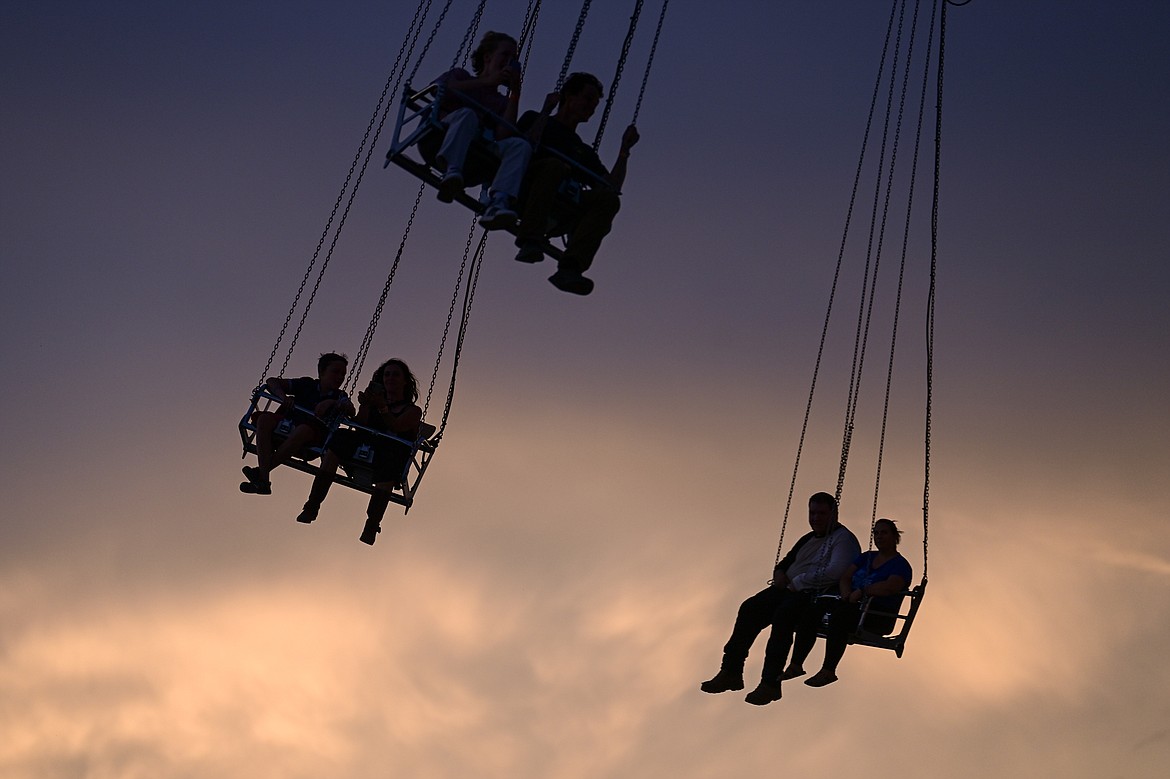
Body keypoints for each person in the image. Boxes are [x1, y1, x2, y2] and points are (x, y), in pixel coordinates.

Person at [699, 492, 861, 706]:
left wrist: (800, 582)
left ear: (834, 513)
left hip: (812, 595)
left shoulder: (844, 540)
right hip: (788, 589)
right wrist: (779, 574)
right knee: (749, 608)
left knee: (783, 618)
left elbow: (836, 571)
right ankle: (731, 670)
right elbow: (786, 562)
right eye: (812, 513)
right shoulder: (808, 538)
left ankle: (770, 683)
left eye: (821, 513)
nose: (816, 518)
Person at [513, 72, 640, 296]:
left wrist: (624, 151)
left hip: (560, 204)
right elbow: (521, 146)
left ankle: (570, 267)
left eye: (595, 104)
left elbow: (610, 187)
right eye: (588, 98)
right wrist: (545, 111)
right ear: (569, 96)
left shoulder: (582, 150)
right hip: (525, 187)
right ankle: (530, 238)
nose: (591, 107)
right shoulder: (535, 119)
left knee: (607, 200)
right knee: (555, 166)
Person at [295, 358, 423, 546]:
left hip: (391, 451)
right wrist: (365, 405)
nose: (390, 378)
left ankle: (372, 524)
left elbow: (396, 426)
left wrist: (382, 407)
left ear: (405, 381)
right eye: (387, 375)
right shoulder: (375, 403)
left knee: (392, 459)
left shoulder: (413, 411)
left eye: (395, 375)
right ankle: (313, 504)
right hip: (368, 443)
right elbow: (360, 425)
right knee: (339, 438)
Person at [784, 518, 912, 688]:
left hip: (875, 614)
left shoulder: (900, 565)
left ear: (895, 536)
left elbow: (890, 587)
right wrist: (846, 592)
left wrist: (863, 591)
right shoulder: (867, 557)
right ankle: (796, 664)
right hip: (850, 604)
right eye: (876, 532)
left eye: (884, 532)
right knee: (813, 610)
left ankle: (828, 670)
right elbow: (846, 576)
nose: (879, 536)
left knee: (841, 618)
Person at [431, 31, 531, 230]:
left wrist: (515, 94)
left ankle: (499, 201)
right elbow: (438, 90)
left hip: (478, 151)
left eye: (513, 59)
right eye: (505, 55)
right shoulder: (460, 76)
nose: (509, 62)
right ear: (488, 57)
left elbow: (504, 134)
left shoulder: (502, 102)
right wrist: (486, 82)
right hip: (440, 137)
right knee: (468, 115)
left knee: (520, 145)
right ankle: (451, 170)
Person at [241, 353, 354, 496]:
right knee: (263, 419)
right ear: (322, 372)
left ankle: (261, 474)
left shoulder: (340, 396)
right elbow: (272, 382)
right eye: (335, 372)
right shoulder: (306, 384)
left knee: (303, 430)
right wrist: (283, 397)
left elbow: (351, 410)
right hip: (288, 426)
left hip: (311, 440)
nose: (340, 378)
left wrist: (332, 403)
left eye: (343, 374)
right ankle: (263, 479)